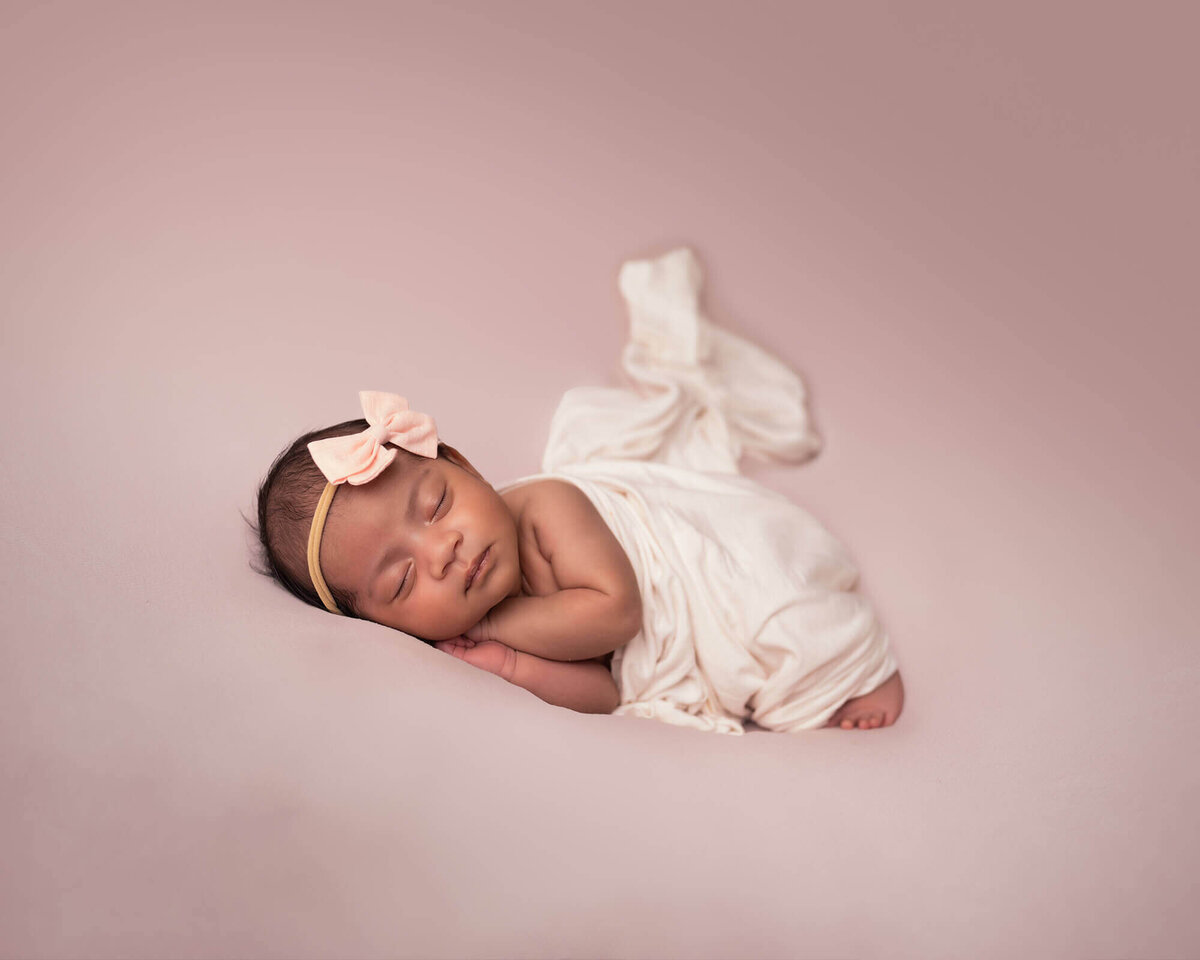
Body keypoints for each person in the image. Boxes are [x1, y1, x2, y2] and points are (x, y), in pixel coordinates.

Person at [250, 247, 904, 735]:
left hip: (694, 569)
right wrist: (511, 668)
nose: (442, 551)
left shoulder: (545, 507)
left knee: (774, 609)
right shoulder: (452, 639)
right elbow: (606, 691)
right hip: (614, 652)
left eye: (437, 505)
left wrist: (493, 624)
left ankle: (861, 671)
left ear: (466, 467)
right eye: (400, 583)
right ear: (381, 624)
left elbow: (617, 613)